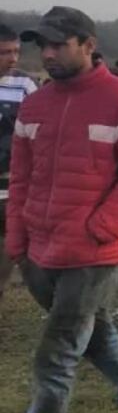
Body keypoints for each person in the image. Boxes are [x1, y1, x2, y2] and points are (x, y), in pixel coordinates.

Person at [7, 7, 118, 413]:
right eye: (44, 45)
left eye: (59, 44)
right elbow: (21, 177)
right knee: (95, 334)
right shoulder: (35, 104)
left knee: (55, 353)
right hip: (39, 249)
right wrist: (18, 238)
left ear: (88, 45)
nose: (48, 53)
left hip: (94, 252)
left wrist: (101, 227)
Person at [0, 23, 37, 301]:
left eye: (16, 52)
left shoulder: (25, 84)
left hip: (9, 191)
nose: (12, 59)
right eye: (4, 53)